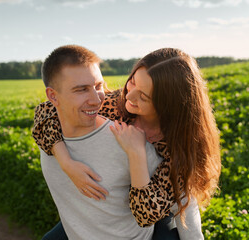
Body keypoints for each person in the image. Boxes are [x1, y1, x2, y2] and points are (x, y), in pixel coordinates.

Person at [33, 47, 221, 239]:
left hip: (152, 214)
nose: (129, 97)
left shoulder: (176, 149)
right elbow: (47, 111)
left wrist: (136, 154)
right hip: (110, 216)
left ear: (168, 105)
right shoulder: (112, 103)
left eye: (144, 96)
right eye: (132, 82)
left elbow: (151, 213)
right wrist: (67, 163)